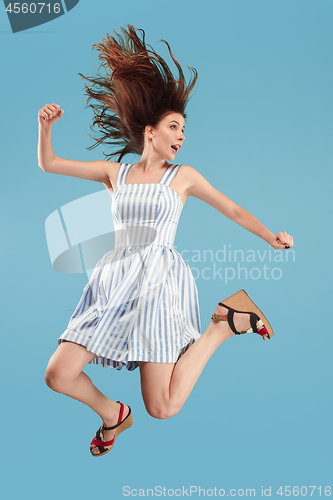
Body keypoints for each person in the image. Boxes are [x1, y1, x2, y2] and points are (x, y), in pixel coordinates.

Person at [38, 25, 293, 458]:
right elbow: (50, 164)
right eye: (174, 126)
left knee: (163, 406)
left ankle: (224, 324)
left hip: (158, 284)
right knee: (58, 374)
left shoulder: (183, 177)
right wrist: (45, 127)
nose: (181, 135)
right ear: (150, 131)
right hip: (112, 282)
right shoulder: (114, 173)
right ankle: (113, 414)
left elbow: (230, 209)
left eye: (184, 129)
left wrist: (271, 236)